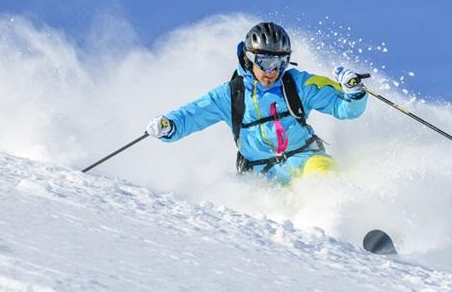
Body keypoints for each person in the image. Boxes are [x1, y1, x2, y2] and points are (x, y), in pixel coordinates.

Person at [145, 22, 368, 184]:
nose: (272, 71)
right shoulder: (232, 94)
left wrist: (354, 92)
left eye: (280, 62)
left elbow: (345, 109)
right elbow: (193, 114)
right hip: (262, 175)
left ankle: (358, 229)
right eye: (265, 61)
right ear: (249, 58)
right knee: (273, 214)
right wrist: (169, 125)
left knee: (324, 179)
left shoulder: (298, 84)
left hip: (306, 159)